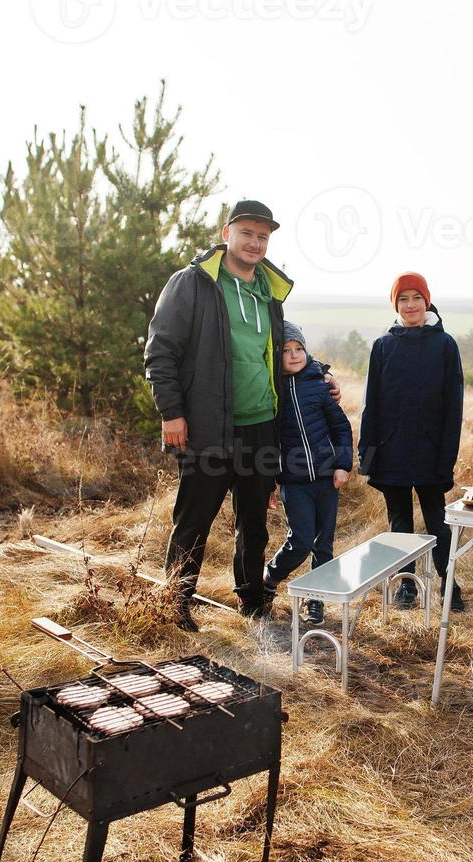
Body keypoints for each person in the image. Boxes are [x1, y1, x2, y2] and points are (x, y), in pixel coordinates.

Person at [144, 199, 337, 629]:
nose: (254, 242)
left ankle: (252, 600)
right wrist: (172, 412)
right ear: (227, 232)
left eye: (263, 236)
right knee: (194, 520)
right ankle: (175, 602)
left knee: (254, 523)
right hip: (208, 427)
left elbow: (282, 350)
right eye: (247, 232)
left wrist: (319, 375)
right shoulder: (193, 284)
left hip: (262, 429)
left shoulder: (268, 295)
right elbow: (161, 351)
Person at [359, 272, 467, 612]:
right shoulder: (383, 346)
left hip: (432, 452)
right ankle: (406, 584)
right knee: (399, 522)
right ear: (396, 304)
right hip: (392, 452)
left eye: (415, 298)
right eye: (402, 299)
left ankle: (449, 585)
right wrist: (369, 454)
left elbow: (454, 406)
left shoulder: (445, 345)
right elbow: (371, 404)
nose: (410, 305)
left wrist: (446, 455)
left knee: (437, 520)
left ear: (426, 301)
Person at [262, 323, 353, 626]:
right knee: (300, 540)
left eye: (298, 348)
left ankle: (316, 600)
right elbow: (267, 441)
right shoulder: (272, 390)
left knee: (323, 545)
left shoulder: (318, 384)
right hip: (294, 481)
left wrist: (342, 465)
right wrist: (269, 483)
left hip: (327, 479)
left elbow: (341, 427)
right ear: (277, 355)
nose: (294, 355)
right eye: (286, 351)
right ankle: (270, 577)